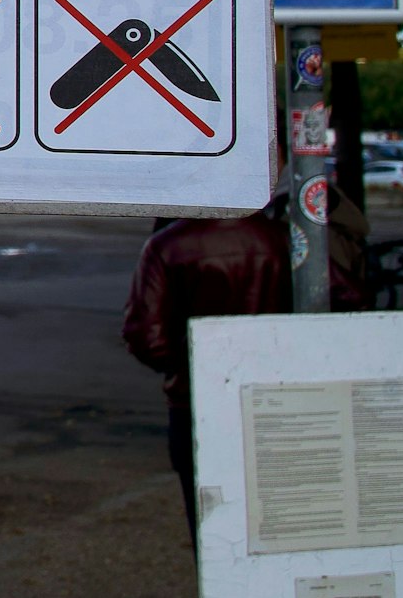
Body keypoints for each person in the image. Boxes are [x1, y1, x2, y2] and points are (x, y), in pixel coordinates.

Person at [123, 208, 290, 544]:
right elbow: (347, 298)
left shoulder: (168, 245)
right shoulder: (285, 239)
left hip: (197, 408)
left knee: (212, 537)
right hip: (280, 403)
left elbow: (148, 339)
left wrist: (192, 366)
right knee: (282, 524)